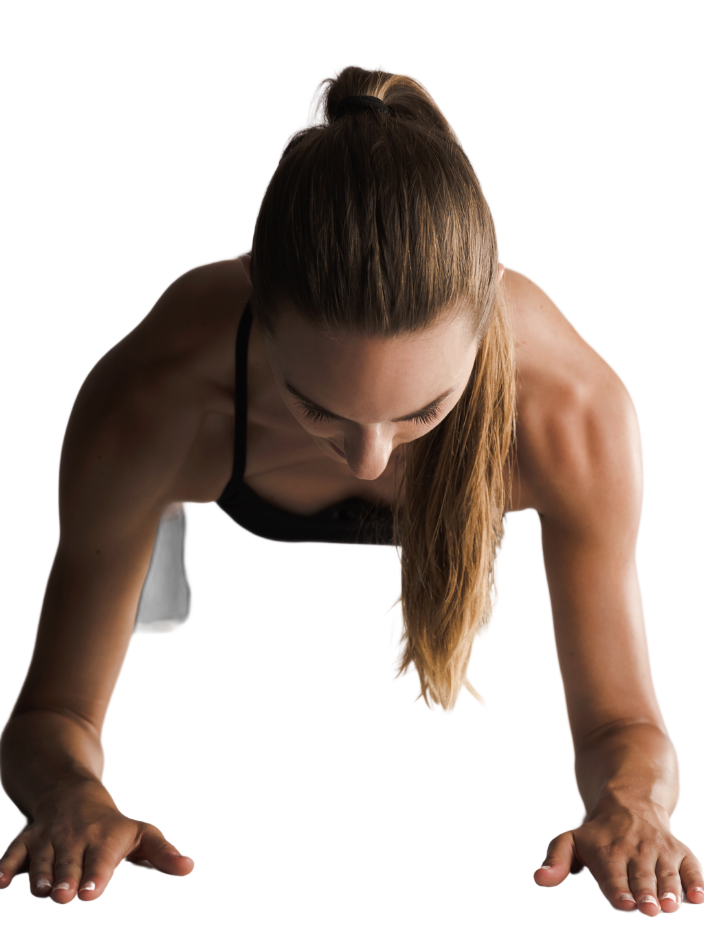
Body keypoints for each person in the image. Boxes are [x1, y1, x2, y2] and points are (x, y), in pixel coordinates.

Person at [1, 60, 702, 914]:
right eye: (316, 407)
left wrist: (632, 811)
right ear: (260, 313)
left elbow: (624, 723)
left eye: (422, 411)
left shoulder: (575, 413)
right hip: (187, 460)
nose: (369, 462)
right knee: (153, 595)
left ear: (484, 324)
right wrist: (70, 795)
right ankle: (161, 544)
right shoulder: (155, 398)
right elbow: (51, 715)